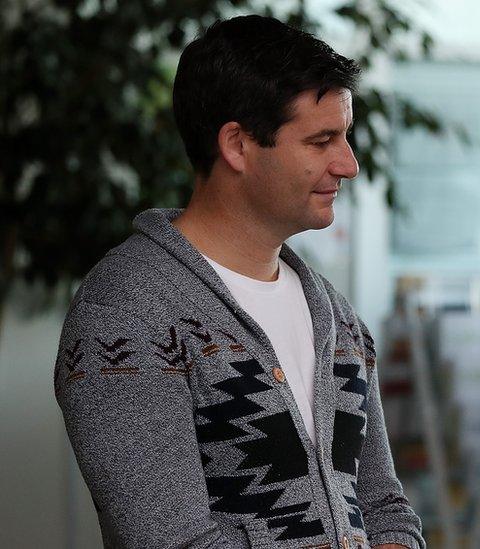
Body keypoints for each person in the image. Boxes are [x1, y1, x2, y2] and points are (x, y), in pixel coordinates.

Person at [53, 15, 423, 548]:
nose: (349, 164)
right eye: (321, 141)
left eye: (345, 138)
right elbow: (171, 541)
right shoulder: (129, 312)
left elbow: (383, 506)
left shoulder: (337, 317)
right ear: (237, 145)